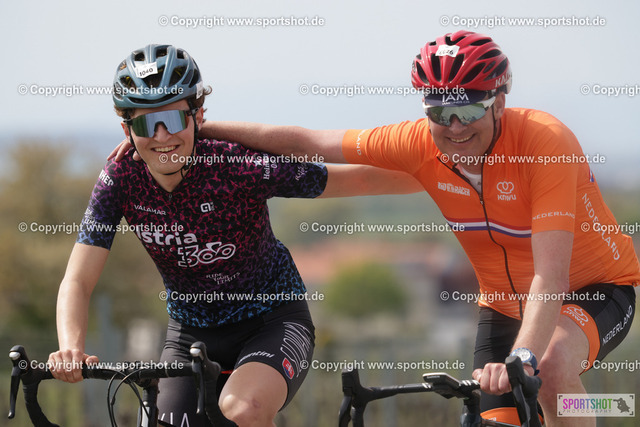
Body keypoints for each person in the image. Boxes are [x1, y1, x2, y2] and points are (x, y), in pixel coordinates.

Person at [111, 32, 639, 426]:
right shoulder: (421, 143)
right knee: (499, 418)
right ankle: (592, 403)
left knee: (550, 366)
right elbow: (311, 143)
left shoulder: (545, 143)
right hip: (503, 303)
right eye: (439, 112)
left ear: (500, 100)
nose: (454, 127)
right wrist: (191, 128)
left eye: (469, 110)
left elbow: (551, 276)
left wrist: (522, 356)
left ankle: (587, 405)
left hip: (594, 287)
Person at [48, 44, 422, 427]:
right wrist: (70, 349)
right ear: (126, 130)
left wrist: (439, 175)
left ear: (198, 116)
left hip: (272, 321)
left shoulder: (233, 165)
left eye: (174, 119)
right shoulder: (120, 179)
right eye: (145, 125)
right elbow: (77, 279)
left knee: (244, 409)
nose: (161, 136)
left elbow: (358, 179)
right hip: (190, 335)